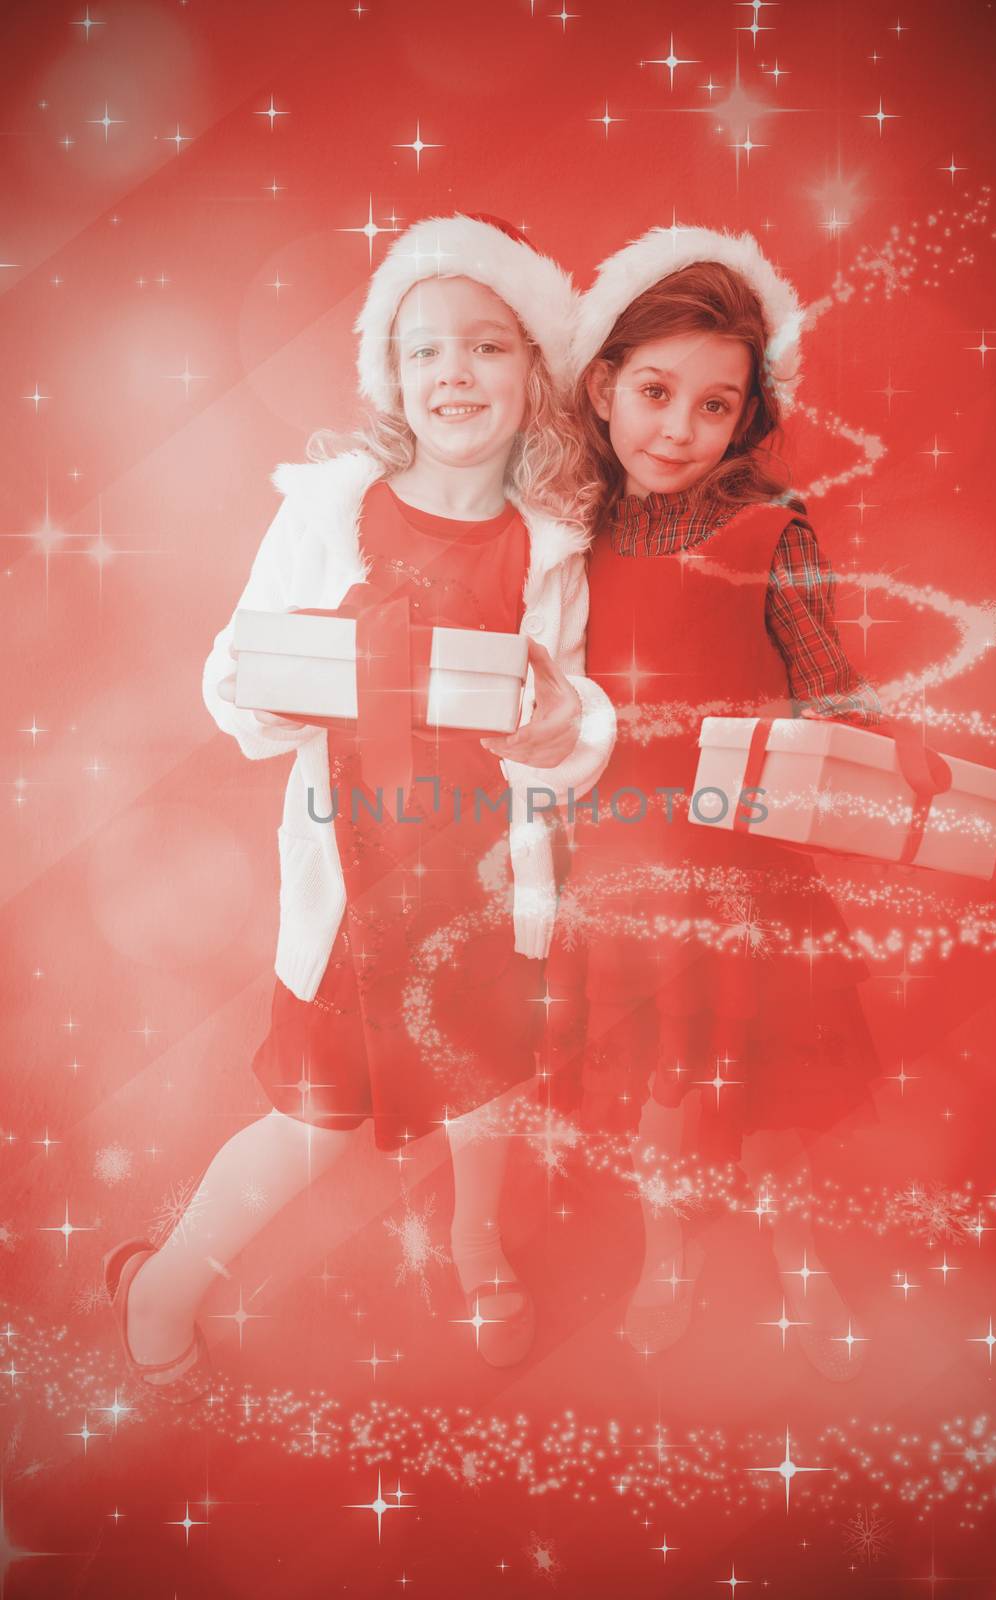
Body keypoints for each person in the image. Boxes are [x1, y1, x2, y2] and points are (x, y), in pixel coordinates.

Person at [104, 213, 616, 1393]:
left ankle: (475, 1244)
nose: (456, 372)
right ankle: (167, 1277)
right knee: (315, 1121)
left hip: (483, 875)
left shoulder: (546, 545)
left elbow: (574, 700)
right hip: (358, 878)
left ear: (533, 370)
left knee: (486, 1083)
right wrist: (283, 677)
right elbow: (238, 668)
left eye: (488, 347)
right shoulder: (328, 510)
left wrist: (562, 728)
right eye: (426, 349)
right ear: (390, 373)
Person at [541, 225, 883, 1375]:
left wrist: (848, 738)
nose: (675, 429)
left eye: (713, 406)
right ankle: (665, 1258)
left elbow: (821, 671)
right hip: (621, 871)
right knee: (660, 1089)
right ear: (602, 387)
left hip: (743, 864)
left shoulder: (767, 529)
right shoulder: (564, 538)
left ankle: (797, 1257)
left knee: (770, 1084)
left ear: (746, 418)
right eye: (653, 392)